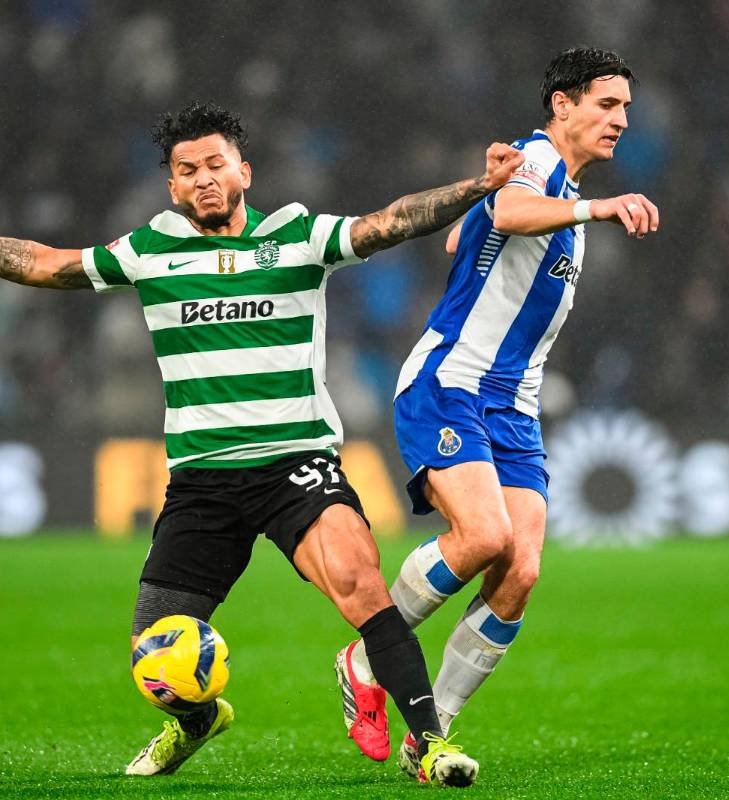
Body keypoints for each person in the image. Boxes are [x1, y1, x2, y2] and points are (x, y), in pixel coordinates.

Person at [0, 101, 525, 787]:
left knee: (363, 587)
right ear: (172, 188)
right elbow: (45, 264)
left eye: (215, 164)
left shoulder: (298, 236)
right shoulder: (149, 249)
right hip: (200, 481)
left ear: (243, 170)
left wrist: (475, 187)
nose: (203, 179)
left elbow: (387, 223)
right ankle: (196, 721)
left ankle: (430, 743)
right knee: (152, 652)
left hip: (295, 466)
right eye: (187, 171)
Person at [335, 46, 660, 778]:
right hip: (450, 380)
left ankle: (433, 732)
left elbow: (474, 229)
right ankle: (364, 655)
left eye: (627, 109)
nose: (622, 120)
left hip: (513, 405)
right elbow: (510, 205)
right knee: (482, 535)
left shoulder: (557, 191)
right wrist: (596, 207)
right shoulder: (535, 159)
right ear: (562, 105)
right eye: (607, 105)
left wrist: (486, 221)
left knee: (522, 569)